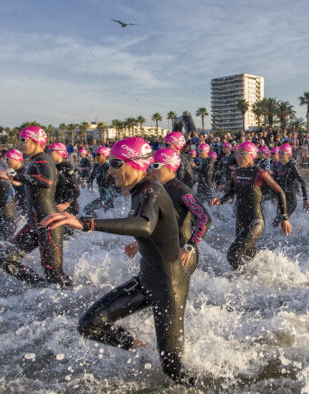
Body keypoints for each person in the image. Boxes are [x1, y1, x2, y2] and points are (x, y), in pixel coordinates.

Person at [40, 137, 194, 385]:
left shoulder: (151, 191)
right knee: (90, 325)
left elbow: (145, 224)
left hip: (170, 288)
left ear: (134, 164)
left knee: (172, 367)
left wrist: (87, 223)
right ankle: (139, 346)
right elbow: (155, 227)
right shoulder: (139, 190)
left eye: (115, 163)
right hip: (147, 281)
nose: (108, 169)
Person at [0, 126, 72, 287]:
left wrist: (11, 175)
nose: (19, 144)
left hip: (49, 223)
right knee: (3, 257)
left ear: (35, 141)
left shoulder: (43, 158)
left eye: (23, 140)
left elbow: (47, 181)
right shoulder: (36, 160)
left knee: (54, 274)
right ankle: (40, 288)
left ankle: (74, 299)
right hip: (34, 224)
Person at [132, 147, 213, 277]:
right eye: (151, 165)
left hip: (183, 254)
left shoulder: (182, 191)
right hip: (166, 253)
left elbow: (205, 219)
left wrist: (189, 247)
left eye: (156, 165)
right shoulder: (158, 189)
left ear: (170, 168)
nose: (151, 169)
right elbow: (157, 221)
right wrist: (138, 243)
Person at [211, 142, 292, 270]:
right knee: (247, 257)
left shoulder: (259, 173)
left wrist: (284, 217)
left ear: (252, 155)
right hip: (240, 220)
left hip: (256, 221)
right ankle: (250, 282)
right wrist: (220, 201)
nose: (238, 156)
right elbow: (231, 193)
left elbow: (279, 191)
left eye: (242, 153)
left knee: (233, 254)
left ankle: (243, 276)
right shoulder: (236, 173)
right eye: (237, 153)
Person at [273, 143, 309, 226]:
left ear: (288, 154)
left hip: (291, 200)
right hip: (281, 199)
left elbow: (302, 182)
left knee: (282, 221)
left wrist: (305, 200)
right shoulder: (278, 166)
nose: (280, 155)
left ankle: (287, 237)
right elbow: (273, 181)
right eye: (279, 152)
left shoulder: (292, 166)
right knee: (275, 223)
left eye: (282, 153)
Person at [48, 142, 80, 216]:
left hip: (69, 209)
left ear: (59, 152)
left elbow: (76, 191)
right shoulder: (53, 167)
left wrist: (66, 204)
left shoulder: (66, 167)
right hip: (57, 207)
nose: (48, 153)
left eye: (50, 150)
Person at [84, 146, 115, 216]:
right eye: (95, 154)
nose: (96, 156)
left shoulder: (108, 166)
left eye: (98, 154)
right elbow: (91, 178)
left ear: (105, 155)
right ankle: (98, 223)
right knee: (107, 215)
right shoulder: (96, 166)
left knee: (87, 209)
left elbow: (108, 182)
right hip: (103, 196)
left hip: (108, 197)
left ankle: (96, 224)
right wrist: (84, 181)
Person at [5, 149, 28, 217]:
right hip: (17, 203)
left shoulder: (26, 171)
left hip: (25, 203)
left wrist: (13, 182)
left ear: (15, 159)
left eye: (7, 159)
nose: (6, 162)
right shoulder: (10, 171)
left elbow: (25, 183)